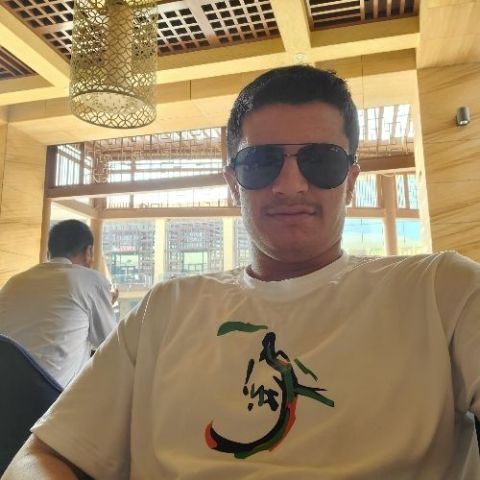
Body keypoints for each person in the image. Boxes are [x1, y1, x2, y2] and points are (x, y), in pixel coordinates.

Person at [3, 66, 480, 480]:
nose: (290, 185)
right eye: (260, 162)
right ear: (233, 184)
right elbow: (41, 456)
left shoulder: (442, 292)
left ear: (351, 180)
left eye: (320, 161)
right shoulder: (164, 309)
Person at [0, 219, 117, 388]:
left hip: (5, 393)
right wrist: (107, 305)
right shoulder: (89, 281)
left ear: (49, 252)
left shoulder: (14, 282)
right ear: (88, 252)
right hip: (47, 397)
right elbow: (113, 345)